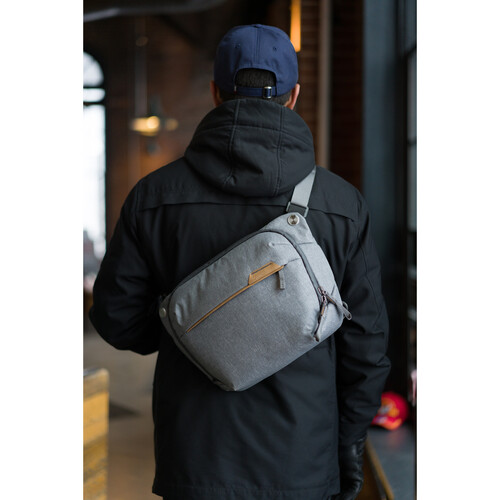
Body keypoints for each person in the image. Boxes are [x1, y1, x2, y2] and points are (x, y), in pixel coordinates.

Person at [90, 24, 391, 500]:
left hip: (194, 460)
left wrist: (190, 328)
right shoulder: (341, 204)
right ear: (294, 96)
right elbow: (366, 347)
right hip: (303, 461)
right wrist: (347, 444)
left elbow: (115, 317)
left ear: (215, 93)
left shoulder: (155, 196)